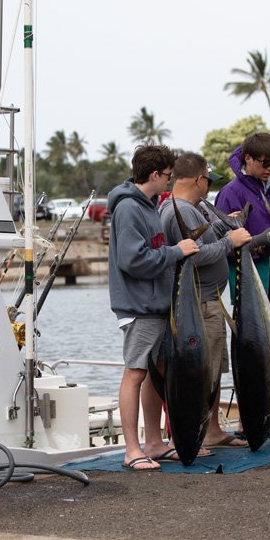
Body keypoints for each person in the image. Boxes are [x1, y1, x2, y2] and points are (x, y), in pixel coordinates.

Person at [159, 153, 270, 447]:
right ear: (199, 180)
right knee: (202, 374)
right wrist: (232, 242)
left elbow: (202, 243)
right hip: (200, 304)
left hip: (207, 301)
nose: (209, 189)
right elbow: (195, 255)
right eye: (208, 182)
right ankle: (197, 435)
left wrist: (221, 226)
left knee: (214, 371)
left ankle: (213, 429)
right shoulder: (180, 211)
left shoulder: (190, 208)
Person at [107, 145, 200, 470]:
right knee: (135, 373)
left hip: (156, 305)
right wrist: (176, 252)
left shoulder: (148, 207)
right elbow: (132, 260)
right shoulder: (129, 209)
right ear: (156, 174)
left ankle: (155, 443)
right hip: (140, 306)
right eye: (167, 176)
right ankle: (132, 451)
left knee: (155, 373)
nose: (170, 182)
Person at [215, 132, 270, 293]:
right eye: (266, 162)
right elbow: (221, 245)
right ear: (248, 158)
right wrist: (261, 246)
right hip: (250, 289)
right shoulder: (230, 193)